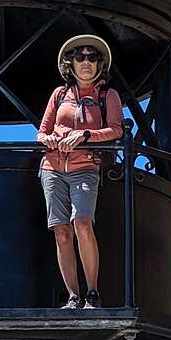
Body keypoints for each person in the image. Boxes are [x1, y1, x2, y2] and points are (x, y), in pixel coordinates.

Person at [36, 34, 124, 309]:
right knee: (61, 231)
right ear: (70, 63)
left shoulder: (107, 95)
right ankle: (73, 296)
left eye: (93, 57)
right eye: (80, 56)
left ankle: (93, 293)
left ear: (100, 65)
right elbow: (42, 131)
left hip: (85, 166)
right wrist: (47, 140)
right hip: (52, 167)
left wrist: (85, 135)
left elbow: (117, 130)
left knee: (82, 223)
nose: (86, 61)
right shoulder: (59, 94)